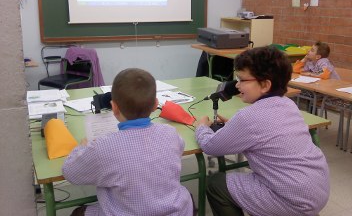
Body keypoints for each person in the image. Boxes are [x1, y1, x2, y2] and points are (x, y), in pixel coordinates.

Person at [194, 46, 330, 216]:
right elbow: (266, 130)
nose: (237, 85)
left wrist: (201, 127)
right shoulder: (288, 104)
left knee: (216, 184)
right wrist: (235, 127)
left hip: (293, 200)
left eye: (242, 80)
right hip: (317, 189)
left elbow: (210, 146)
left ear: (265, 85)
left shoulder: (249, 117)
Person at [62, 68, 193, 216]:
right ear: (155, 104)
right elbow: (179, 148)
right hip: (177, 212)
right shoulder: (170, 133)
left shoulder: (103, 147)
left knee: (78, 213)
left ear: (114, 107)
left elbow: (70, 173)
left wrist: (81, 148)